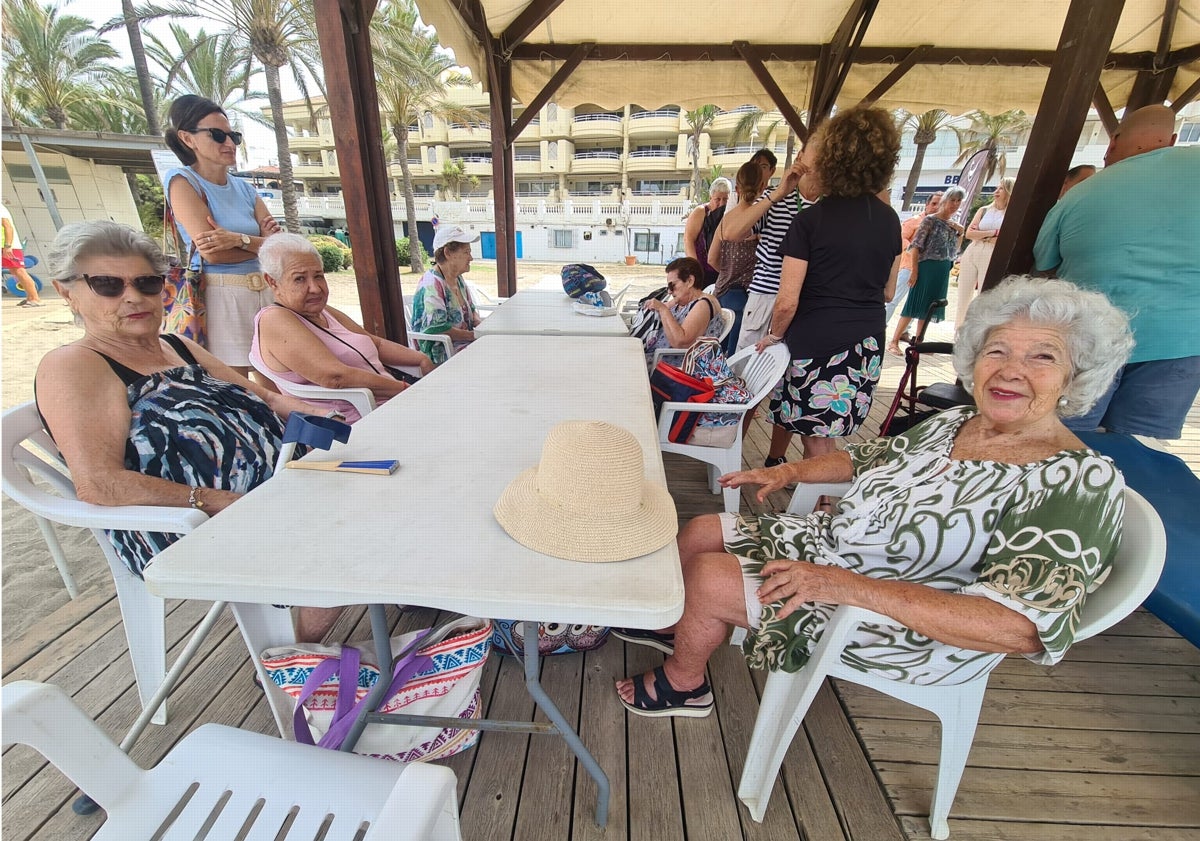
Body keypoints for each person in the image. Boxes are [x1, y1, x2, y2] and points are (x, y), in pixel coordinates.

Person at [614, 276, 1132, 717]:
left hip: (906, 621)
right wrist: (791, 469)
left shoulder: (1076, 481)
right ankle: (672, 622)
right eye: (997, 350)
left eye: (1042, 357)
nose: (1011, 370)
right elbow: (867, 458)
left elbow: (1018, 627)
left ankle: (685, 685)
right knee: (703, 528)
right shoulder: (956, 422)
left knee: (707, 577)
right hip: (837, 549)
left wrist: (846, 586)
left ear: (1075, 376)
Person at [33, 221, 342, 643]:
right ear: (67, 291)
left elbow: (266, 399)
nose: (133, 297)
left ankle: (393, 595)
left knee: (402, 487)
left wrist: (317, 412)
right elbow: (99, 484)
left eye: (147, 282)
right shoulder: (75, 365)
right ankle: (297, 653)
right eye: (107, 285)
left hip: (278, 490)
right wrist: (218, 502)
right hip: (190, 526)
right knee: (357, 533)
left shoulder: (176, 345)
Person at [1034, 104, 1200, 440]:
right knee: (1140, 447)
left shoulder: (1082, 191)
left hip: (1090, 337)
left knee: (1063, 441)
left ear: (1113, 143)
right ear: (1170, 139)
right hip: (1180, 338)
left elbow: (1043, 261)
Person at [757, 107, 902, 465]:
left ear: (830, 158)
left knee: (817, 443)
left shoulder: (811, 221)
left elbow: (787, 301)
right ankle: (822, 502)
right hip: (867, 341)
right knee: (825, 436)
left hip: (818, 341)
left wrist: (773, 337)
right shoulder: (889, 220)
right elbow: (887, 292)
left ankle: (824, 508)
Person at [251, 234, 434, 423]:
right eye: (299, 279)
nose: (314, 288)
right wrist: (406, 390)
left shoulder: (323, 311)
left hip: (393, 403)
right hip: (361, 419)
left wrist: (421, 359)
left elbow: (375, 343)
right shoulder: (274, 319)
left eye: (319, 276)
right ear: (273, 282)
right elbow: (335, 377)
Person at [163, 95, 282, 377]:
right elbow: (213, 253)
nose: (228, 143)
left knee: (279, 379)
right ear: (187, 138)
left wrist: (238, 240)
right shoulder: (182, 181)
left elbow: (278, 248)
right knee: (238, 385)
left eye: (233, 136)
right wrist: (258, 244)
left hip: (265, 292)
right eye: (217, 135)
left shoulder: (244, 188)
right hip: (221, 296)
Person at [723, 149, 821, 354]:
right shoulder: (774, 197)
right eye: (818, 150)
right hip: (765, 297)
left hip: (809, 302)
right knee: (747, 365)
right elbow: (731, 233)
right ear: (801, 155)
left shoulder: (831, 207)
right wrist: (776, 195)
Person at [887, 186, 965, 355]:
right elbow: (915, 247)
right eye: (952, 200)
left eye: (959, 201)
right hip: (926, 266)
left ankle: (919, 342)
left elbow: (954, 250)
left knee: (930, 307)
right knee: (914, 304)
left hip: (943, 268)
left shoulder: (955, 225)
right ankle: (894, 341)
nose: (955, 204)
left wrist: (961, 233)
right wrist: (914, 271)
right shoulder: (930, 220)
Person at [707, 162, 765, 355]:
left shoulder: (727, 221)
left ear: (737, 189)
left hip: (722, 292)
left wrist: (726, 271)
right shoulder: (763, 218)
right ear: (762, 187)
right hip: (749, 297)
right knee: (735, 357)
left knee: (715, 352)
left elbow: (712, 258)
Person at [410, 224, 481, 365]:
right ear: (448, 253)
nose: (471, 258)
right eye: (466, 252)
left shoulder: (457, 278)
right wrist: (473, 335)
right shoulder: (432, 284)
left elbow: (471, 310)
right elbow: (438, 328)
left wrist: (478, 322)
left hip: (464, 344)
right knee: (493, 356)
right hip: (442, 352)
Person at [640, 256, 724, 364]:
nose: (669, 291)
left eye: (673, 285)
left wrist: (663, 310)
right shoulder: (683, 302)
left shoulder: (703, 304)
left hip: (673, 368)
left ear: (690, 281)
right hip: (656, 359)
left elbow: (680, 342)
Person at [955, 178, 1014, 327]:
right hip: (973, 250)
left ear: (1008, 191)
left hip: (991, 253)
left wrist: (981, 233)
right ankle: (958, 332)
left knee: (983, 293)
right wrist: (993, 232)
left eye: (1001, 189)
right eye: (997, 188)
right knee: (963, 295)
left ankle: (978, 331)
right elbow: (969, 233)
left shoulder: (1010, 214)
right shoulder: (984, 210)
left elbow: (1004, 236)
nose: (996, 192)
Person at [887, 192, 941, 328]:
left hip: (927, 269)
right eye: (934, 204)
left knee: (917, 303)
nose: (936, 207)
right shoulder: (915, 221)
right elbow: (901, 239)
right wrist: (914, 252)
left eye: (940, 204)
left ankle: (905, 330)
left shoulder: (941, 224)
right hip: (908, 267)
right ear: (926, 205)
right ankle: (878, 327)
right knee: (893, 299)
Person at [683, 177, 731, 287]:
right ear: (710, 197)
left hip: (721, 271)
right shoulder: (700, 211)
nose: (721, 203)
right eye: (717, 199)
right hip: (701, 268)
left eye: (725, 199)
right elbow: (688, 240)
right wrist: (695, 269)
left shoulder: (730, 214)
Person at [2, 203, 43, 306]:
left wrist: (8, 246)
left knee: (19, 270)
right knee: (14, 271)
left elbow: (8, 226)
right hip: (4, 246)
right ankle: (30, 297)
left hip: (10, 247)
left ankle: (35, 298)